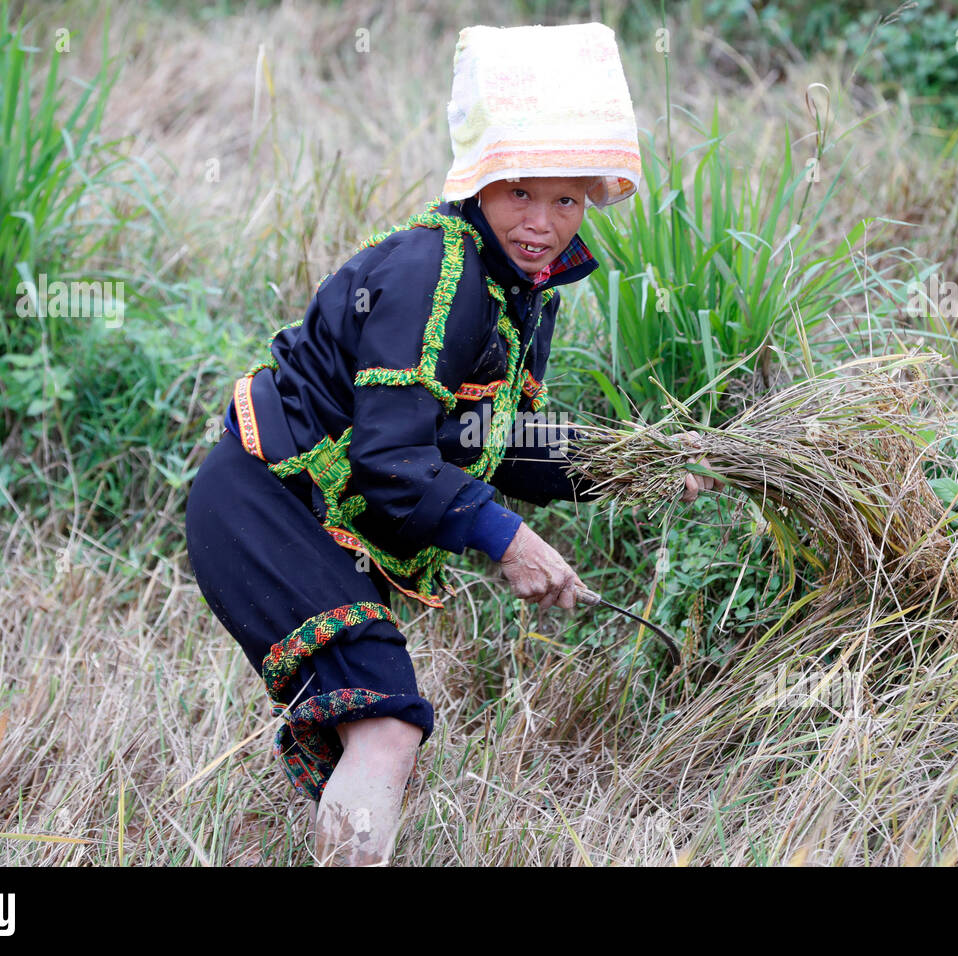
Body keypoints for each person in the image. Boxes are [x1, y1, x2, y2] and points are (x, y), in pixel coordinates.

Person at [184, 22, 719, 867]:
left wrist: (633, 463)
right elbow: (391, 461)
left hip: (303, 514)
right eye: (519, 194)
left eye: (567, 199)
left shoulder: (520, 290)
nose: (543, 224)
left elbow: (484, 438)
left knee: (380, 725)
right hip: (263, 501)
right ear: (478, 186)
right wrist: (506, 539)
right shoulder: (433, 275)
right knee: (390, 728)